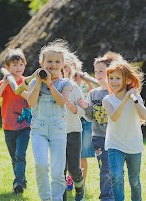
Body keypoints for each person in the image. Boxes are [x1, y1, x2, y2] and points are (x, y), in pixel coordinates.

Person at [27, 39, 72, 201]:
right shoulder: (34, 82)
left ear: (63, 64)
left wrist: (50, 84)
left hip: (58, 130)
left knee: (57, 171)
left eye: (57, 62)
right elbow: (31, 102)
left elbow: (61, 102)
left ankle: (57, 199)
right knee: (41, 165)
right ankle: (45, 198)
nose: (53, 65)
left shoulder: (66, 83)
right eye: (49, 61)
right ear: (42, 63)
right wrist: (39, 82)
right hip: (38, 129)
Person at [78, 51, 122, 201]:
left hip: (116, 138)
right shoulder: (93, 94)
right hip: (99, 138)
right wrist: (86, 107)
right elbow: (89, 118)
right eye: (96, 71)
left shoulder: (117, 93)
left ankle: (116, 195)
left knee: (116, 171)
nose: (97, 74)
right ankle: (106, 197)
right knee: (105, 170)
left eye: (101, 71)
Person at [102, 60, 146, 201]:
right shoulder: (107, 99)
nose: (114, 82)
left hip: (134, 145)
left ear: (127, 79)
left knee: (134, 180)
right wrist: (125, 99)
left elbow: (144, 115)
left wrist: (134, 99)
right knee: (116, 177)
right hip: (115, 144)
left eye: (118, 78)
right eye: (111, 78)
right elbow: (114, 117)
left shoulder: (135, 97)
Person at [0, 48, 31, 194]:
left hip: (25, 126)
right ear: (7, 68)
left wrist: (20, 88)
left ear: (24, 66)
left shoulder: (26, 82)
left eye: (20, 64)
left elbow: (32, 101)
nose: (18, 68)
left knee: (20, 154)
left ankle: (17, 182)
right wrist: (5, 85)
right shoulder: (4, 83)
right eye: (14, 65)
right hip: (8, 126)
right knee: (14, 157)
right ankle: (22, 179)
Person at [62, 52, 86, 201]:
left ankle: (80, 189)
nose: (61, 70)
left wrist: (74, 108)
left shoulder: (75, 88)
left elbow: (83, 111)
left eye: (64, 67)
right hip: (57, 133)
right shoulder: (50, 88)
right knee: (60, 169)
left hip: (74, 132)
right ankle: (61, 197)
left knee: (74, 169)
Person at [70, 55, 95, 187]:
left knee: (82, 154)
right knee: (69, 153)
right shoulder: (65, 83)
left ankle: (82, 183)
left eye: (76, 66)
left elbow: (93, 95)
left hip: (85, 120)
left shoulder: (85, 83)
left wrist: (87, 82)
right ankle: (69, 180)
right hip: (71, 120)